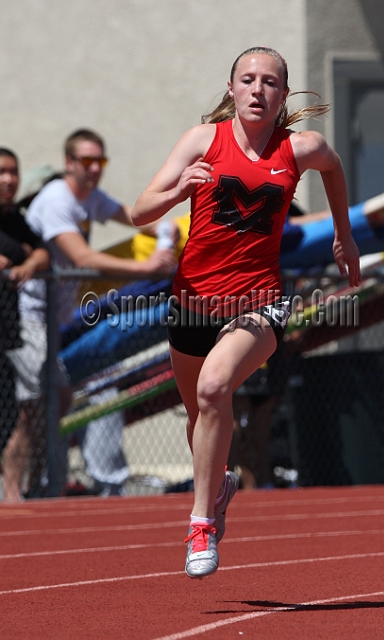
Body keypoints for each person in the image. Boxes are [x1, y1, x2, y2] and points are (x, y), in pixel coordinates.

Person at [131, 46, 361, 579]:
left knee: (215, 390)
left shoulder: (301, 148)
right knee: (198, 423)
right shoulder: (201, 140)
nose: (258, 90)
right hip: (191, 302)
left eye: (270, 82)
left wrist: (344, 236)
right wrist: (177, 191)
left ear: (283, 94)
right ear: (231, 89)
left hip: (258, 300)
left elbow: (334, 166)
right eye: (248, 80)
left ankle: (200, 523)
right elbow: (140, 210)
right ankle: (223, 484)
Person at [3, 128, 177, 501]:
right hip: (26, 313)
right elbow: (83, 258)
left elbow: (130, 215)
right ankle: (19, 490)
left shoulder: (90, 197)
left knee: (51, 401)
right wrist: (148, 268)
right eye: (86, 161)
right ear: (69, 163)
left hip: (52, 317)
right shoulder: (56, 200)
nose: (95, 168)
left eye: (100, 161)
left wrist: (164, 227)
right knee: (37, 401)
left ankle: (37, 483)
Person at [0, 148, 50, 501]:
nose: (9, 179)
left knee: (15, 413)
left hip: (8, 330)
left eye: (14, 172)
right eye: (2, 171)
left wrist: (27, 262)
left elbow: (43, 250)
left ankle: (13, 491)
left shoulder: (17, 220)